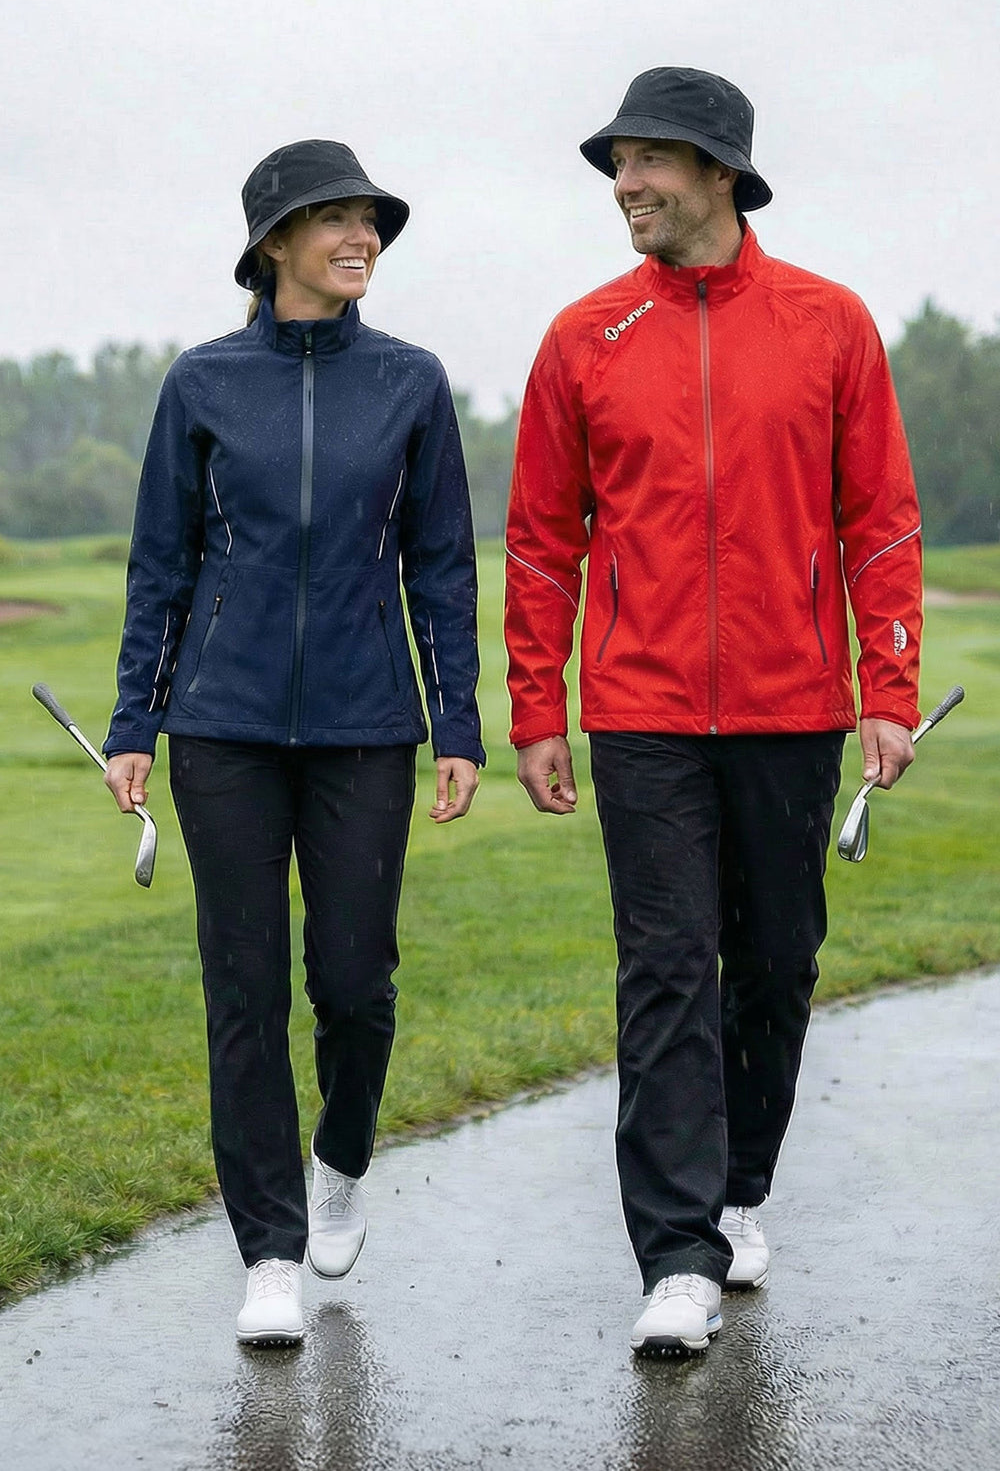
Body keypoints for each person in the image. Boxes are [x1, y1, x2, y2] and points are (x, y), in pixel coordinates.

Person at [504, 68, 922, 1356]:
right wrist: (536, 705)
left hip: (796, 706)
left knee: (777, 960)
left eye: (647, 162)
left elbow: (879, 521)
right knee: (667, 967)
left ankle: (740, 1189)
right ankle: (674, 1254)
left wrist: (885, 693)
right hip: (641, 713)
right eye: (616, 163)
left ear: (719, 171)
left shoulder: (828, 323)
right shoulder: (583, 337)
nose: (624, 185)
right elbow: (538, 541)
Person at [103, 139, 485, 1346]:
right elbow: (161, 565)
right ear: (275, 244)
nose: (359, 236)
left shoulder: (411, 382)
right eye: (333, 220)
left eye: (369, 218)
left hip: (369, 725)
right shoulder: (203, 383)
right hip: (223, 727)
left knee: (354, 982)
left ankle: (342, 1155)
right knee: (244, 988)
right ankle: (267, 1248)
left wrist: (457, 722)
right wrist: (133, 726)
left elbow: (440, 565)